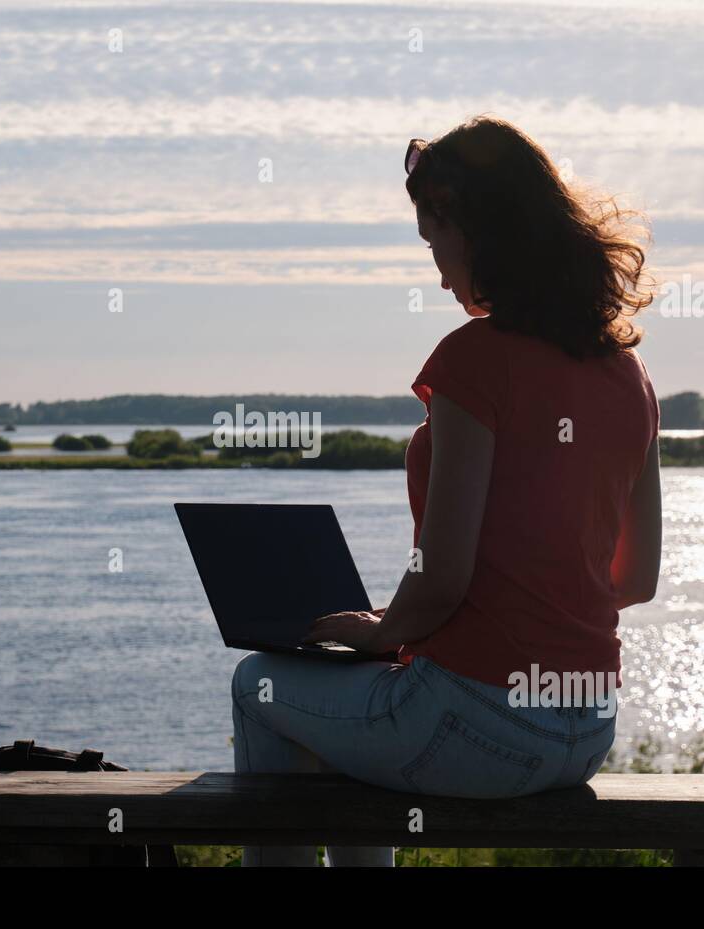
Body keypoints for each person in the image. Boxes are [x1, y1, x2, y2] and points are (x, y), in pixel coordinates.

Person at [231, 115, 664, 867]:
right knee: (359, 699)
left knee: (259, 684)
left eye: (436, 244)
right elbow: (636, 579)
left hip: (480, 731)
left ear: (476, 229)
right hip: (586, 730)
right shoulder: (627, 375)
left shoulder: (471, 363)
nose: (437, 274)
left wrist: (375, 632)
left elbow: (445, 578)